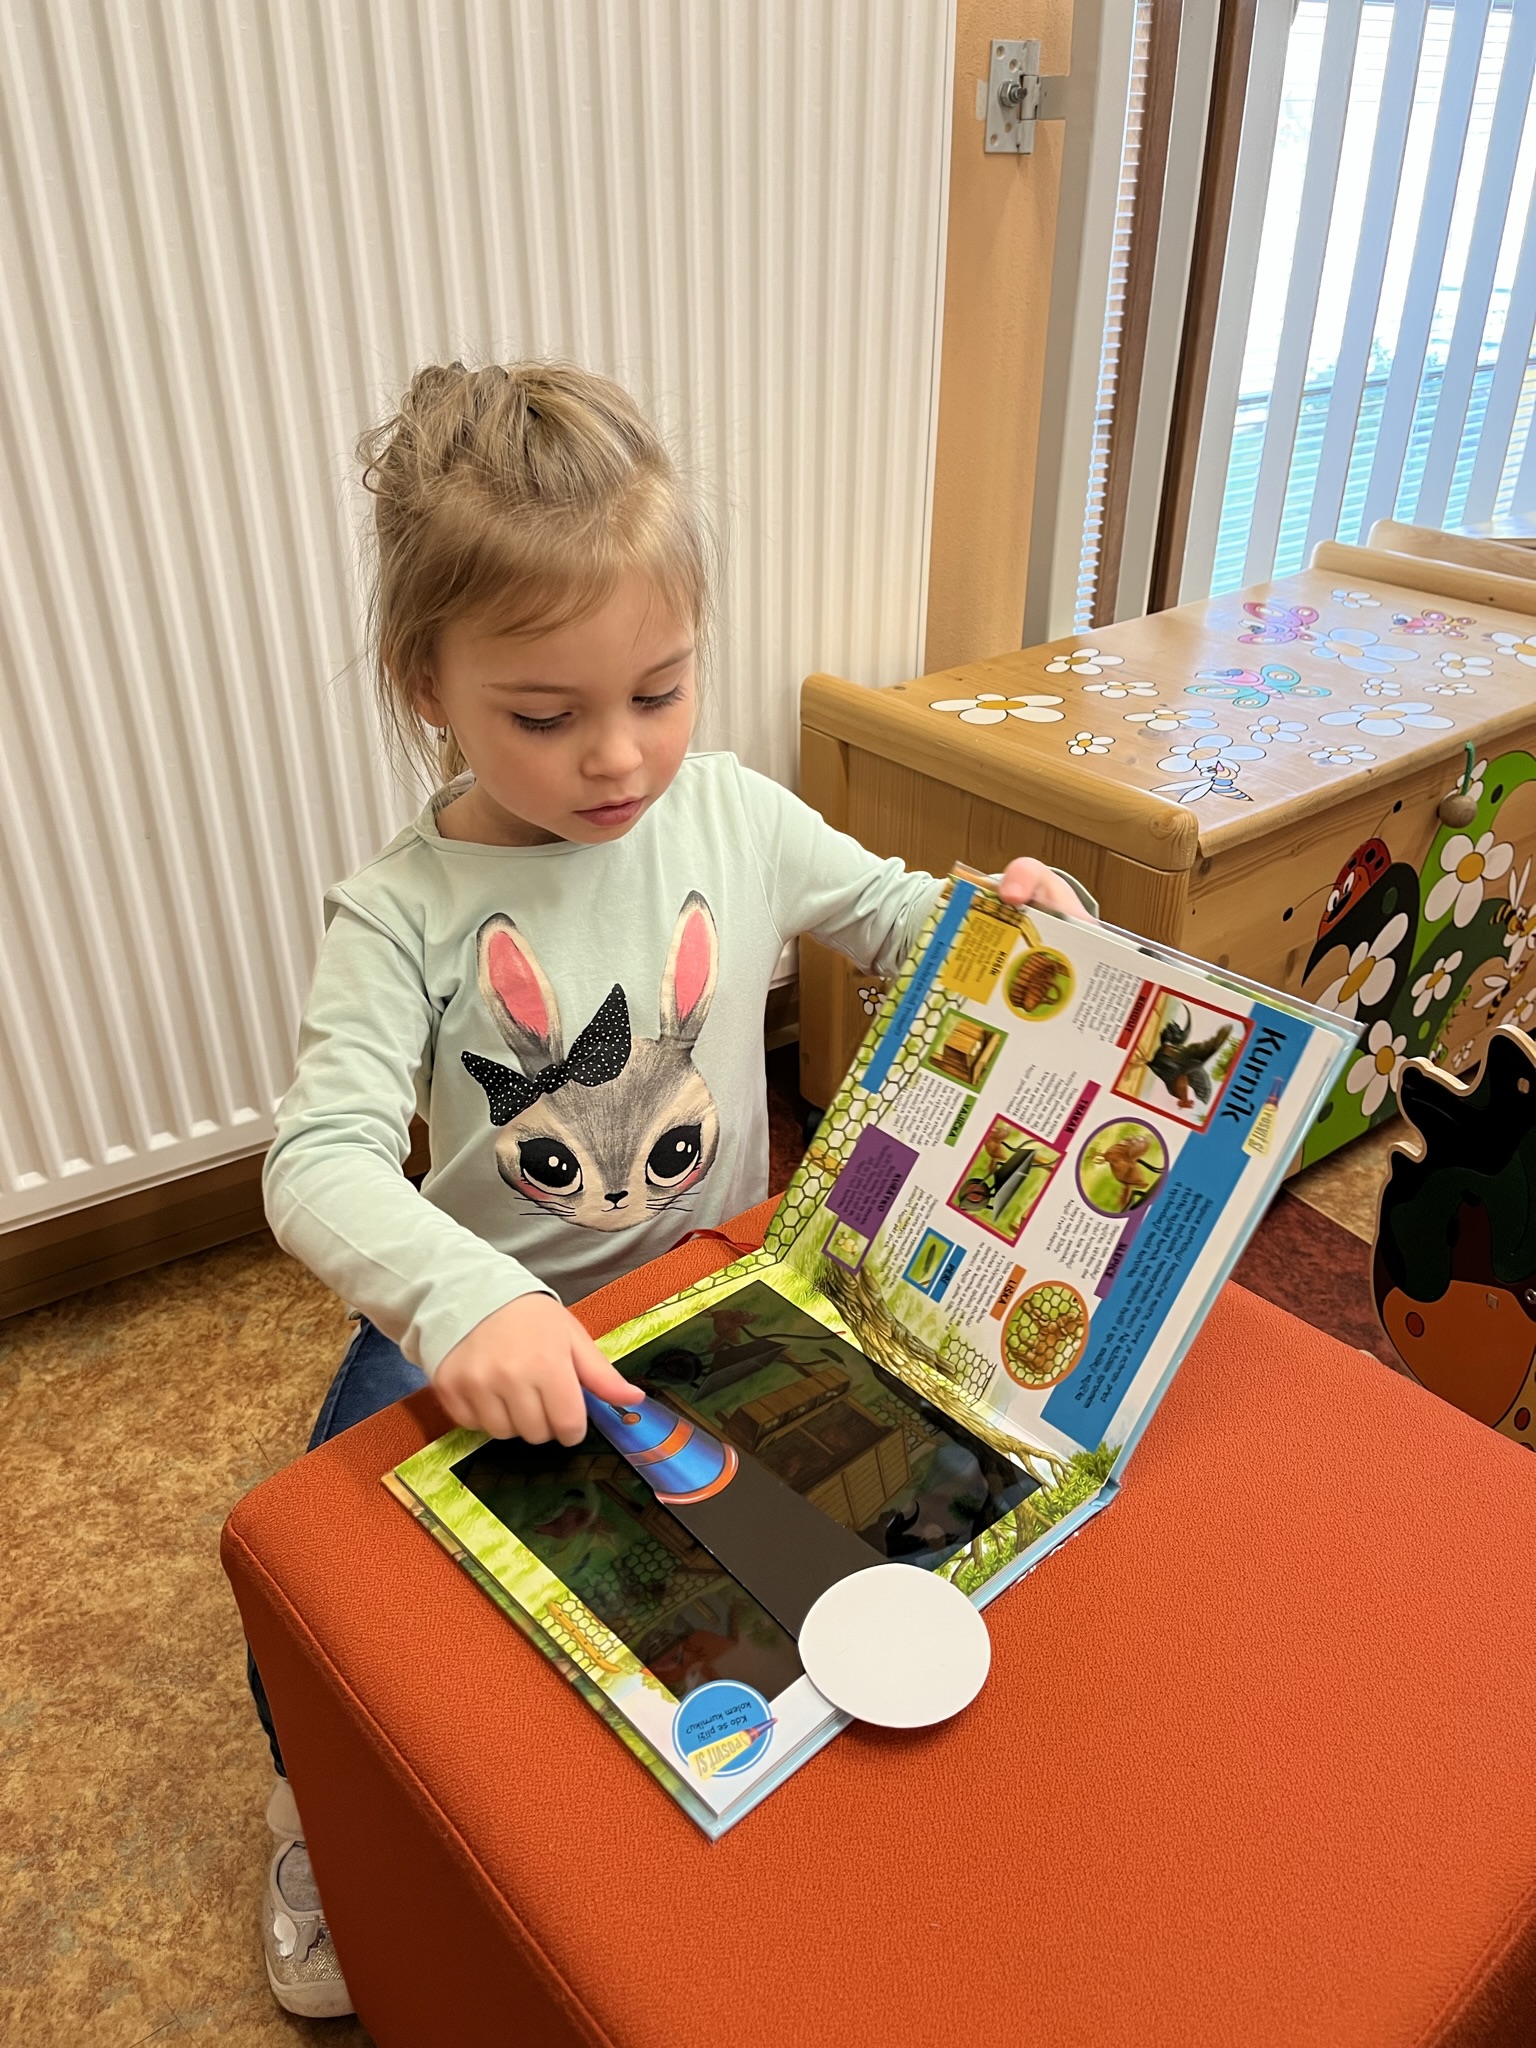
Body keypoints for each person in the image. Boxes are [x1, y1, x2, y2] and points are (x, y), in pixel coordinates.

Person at [253, 359, 1093, 2014]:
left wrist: (998, 915)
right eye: (545, 717)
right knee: (318, 1565)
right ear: (427, 683)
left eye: (660, 689)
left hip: (721, 1300)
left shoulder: (735, 814)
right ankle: (309, 1815)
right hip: (492, 1328)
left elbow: (894, 918)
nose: (619, 756)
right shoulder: (399, 912)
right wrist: (464, 1301)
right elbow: (317, 1160)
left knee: (801, 1564)